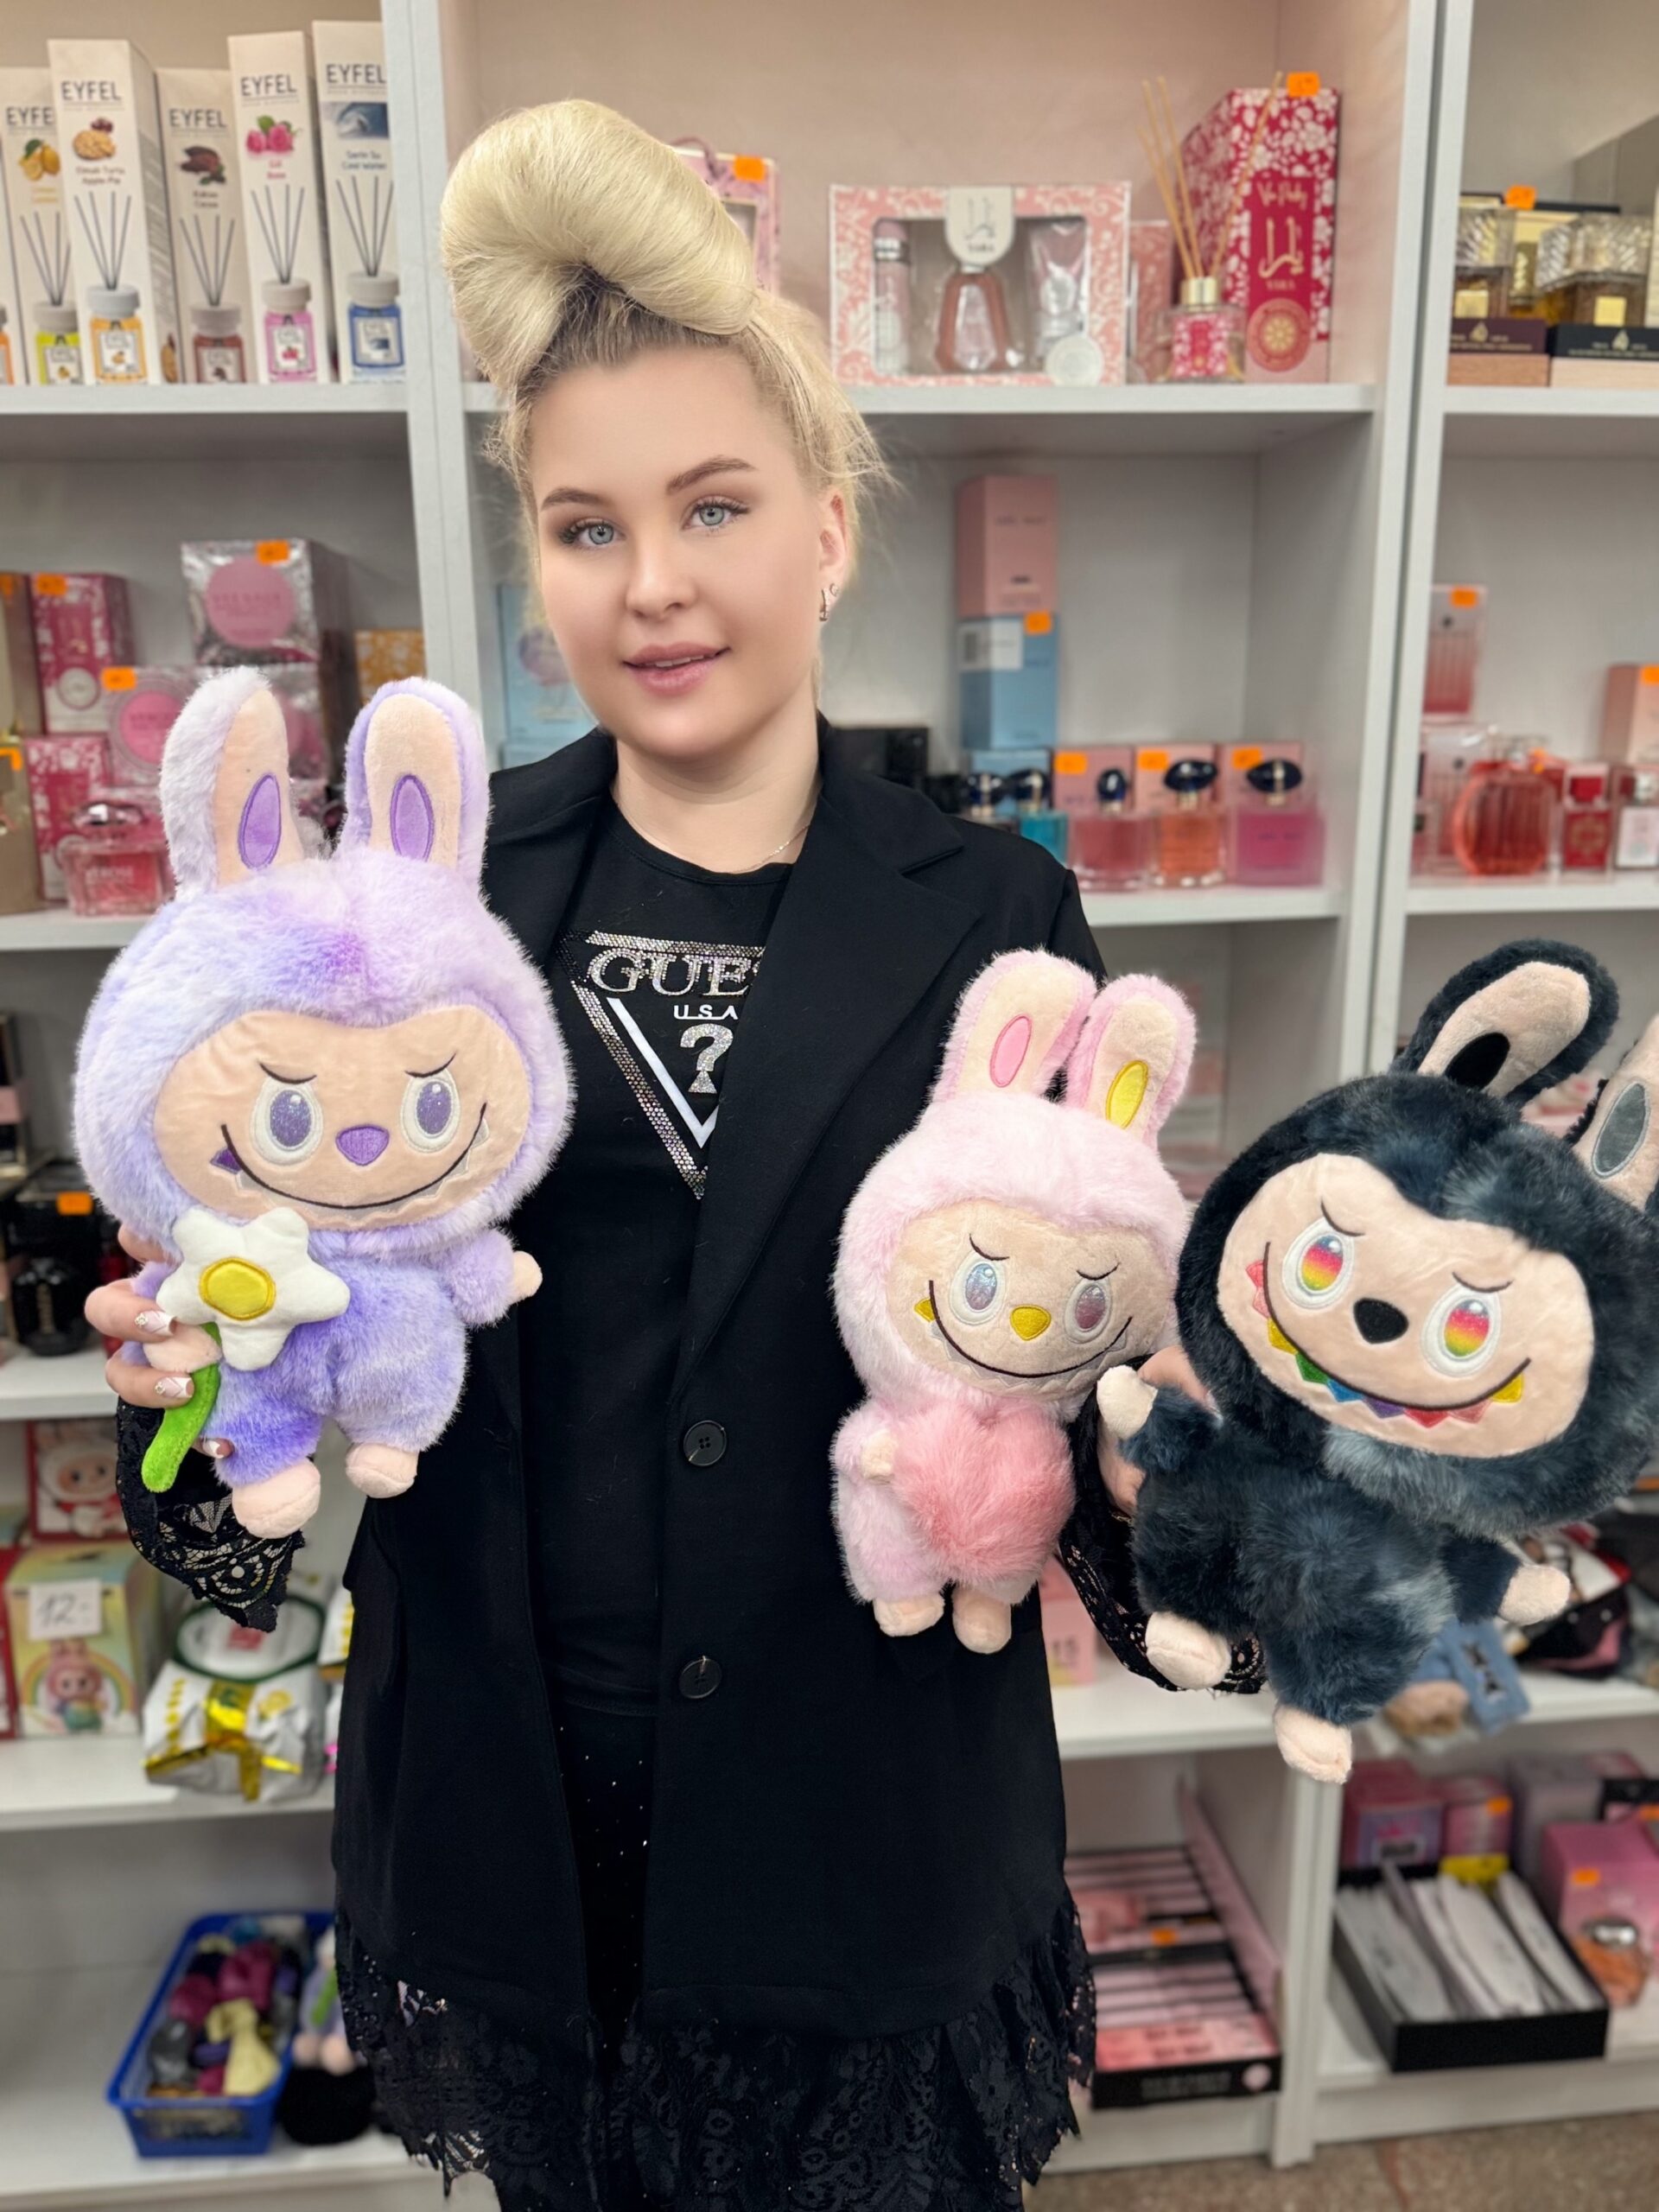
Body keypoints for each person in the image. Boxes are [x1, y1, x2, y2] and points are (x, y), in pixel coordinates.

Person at [91, 98, 1259, 2212]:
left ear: (828, 526)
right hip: (519, 1818)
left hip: (865, 1812)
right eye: (585, 525)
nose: (652, 585)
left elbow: (1049, 1359)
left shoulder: (996, 914)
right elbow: (239, 1504)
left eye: (714, 505)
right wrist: (180, 1388)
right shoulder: (415, 910)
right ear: (534, 557)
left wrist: (1189, 1475)